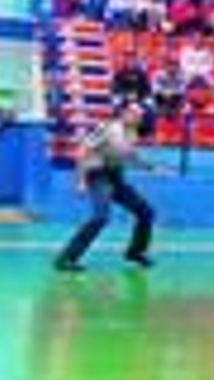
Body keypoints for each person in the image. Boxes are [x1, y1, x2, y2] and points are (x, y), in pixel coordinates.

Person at [54, 102, 161, 272]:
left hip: (115, 176)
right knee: (101, 217)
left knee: (146, 212)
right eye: (131, 111)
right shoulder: (108, 128)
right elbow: (82, 151)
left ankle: (135, 252)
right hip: (97, 175)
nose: (133, 115)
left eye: (137, 114)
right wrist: (80, 181)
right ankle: (65, 258)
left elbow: (129, 155)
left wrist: (149, 166)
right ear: (124, 113)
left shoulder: (132, 134)